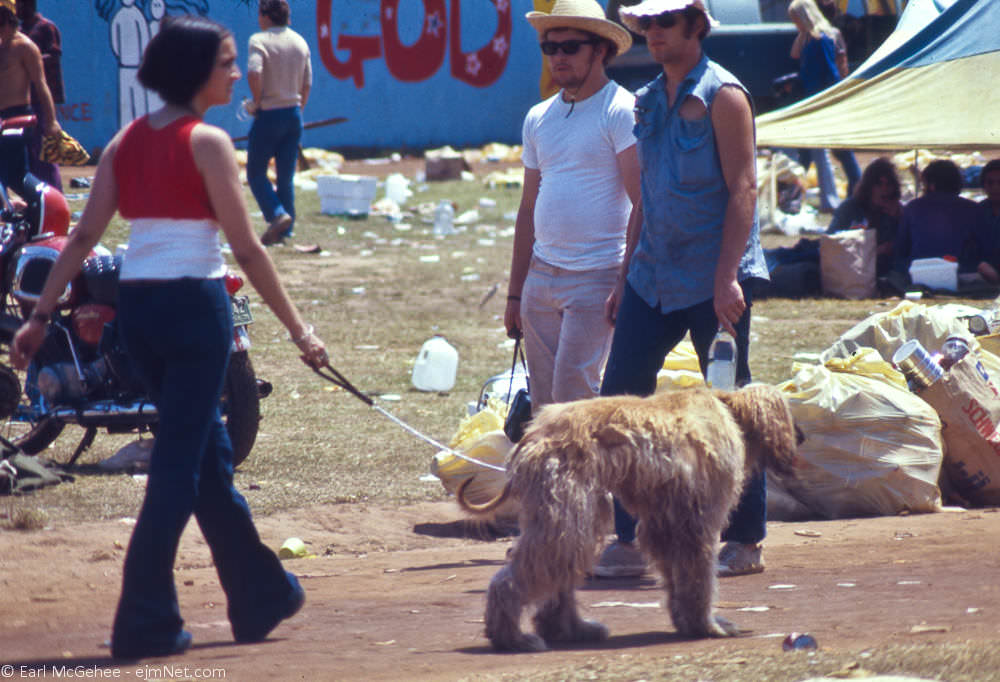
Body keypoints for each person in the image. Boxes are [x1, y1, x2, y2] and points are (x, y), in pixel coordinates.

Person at [10, 15, 329, 660]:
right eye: (228, 62)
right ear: (194, 72)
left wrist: (40, 316)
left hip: (141, 310)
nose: (237, 72)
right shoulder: (207, 143)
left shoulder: (126, 142)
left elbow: (82, 238)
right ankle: (145, 621)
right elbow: (246, 247)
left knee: (206, 458)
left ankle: (262, 592)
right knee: (177, 472)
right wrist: (301, 330)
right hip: (193, 309)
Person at [593, 0, 770, 579]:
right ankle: (630, 538)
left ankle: (745, 542)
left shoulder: (725, 97)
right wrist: (623, 279)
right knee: (619, 400)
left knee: (729, 409)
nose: (653, 34)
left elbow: (743, 189)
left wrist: (726, 280)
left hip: (712, 279)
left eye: (665, 23)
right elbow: (645, 198)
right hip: (651, 276)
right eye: (647, 24)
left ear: (697, 27)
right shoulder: (645, 101)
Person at [505, 0, 639, 411]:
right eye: (550, 48)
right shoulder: (538, 117)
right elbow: (528, 208)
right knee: (545, 405)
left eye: (570, 47)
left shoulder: (620, 110)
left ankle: (596, 478)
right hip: (541, 279)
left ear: (600, 50)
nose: (558, 57)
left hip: (596, 279)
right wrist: (515, 294)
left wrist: (623, 281)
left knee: (573, 400)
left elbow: (643, 204)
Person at [245, 0, 311, 246]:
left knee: (255, 173)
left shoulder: (259, 41)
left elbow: (254, 72)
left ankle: (276, 214)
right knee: (285, 176)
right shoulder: (300, 42)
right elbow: (307, 83)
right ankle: (286, 230)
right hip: (293, 114)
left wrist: (257, 101)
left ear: (265, 15)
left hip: (269, 114)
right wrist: (297, 109)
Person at [0, 0, 61, 204]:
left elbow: (42, 86)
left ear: (7, 22)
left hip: (17, 118)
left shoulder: (24, 47)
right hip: (2, 118)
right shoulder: (1, 46)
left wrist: (51, 122)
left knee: (16, 174)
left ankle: (47, 204)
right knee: (13, 175)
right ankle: (16, 209)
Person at [787, 0, 843, 213]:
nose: (794, 24)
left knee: (821, 153)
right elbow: (794, 54)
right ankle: (823, 199)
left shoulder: (822, 39)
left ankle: (831, 200)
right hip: (809, 98)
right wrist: (802, 33)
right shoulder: (809, 37)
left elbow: (832, 72)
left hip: (818, 98)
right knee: (812, 152)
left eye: (796, 19)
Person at [893, 159, 989, 279]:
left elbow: (900, 250)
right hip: (962, 275)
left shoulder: (912, 208)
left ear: (931, 185)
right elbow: (986, 250)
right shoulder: (974, 209)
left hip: (919, 274)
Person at [826, 157, 902, 277]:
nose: (884, 189)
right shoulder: (850, 208)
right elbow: (830, 244)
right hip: (849, 268)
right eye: (879, 184)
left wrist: (897, 219)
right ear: (869, 187)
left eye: (888, 184)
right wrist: (875, 251)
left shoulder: (898, 211)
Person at [16, 0, 63, 191]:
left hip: (43, 100)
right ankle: (37, 198)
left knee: (45, 153)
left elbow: (54, 56)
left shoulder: (46, 28)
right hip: (24, 100)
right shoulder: (18, 32)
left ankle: (55, 196)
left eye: (18, 4)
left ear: (28, 4)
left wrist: (30, 60)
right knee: (29, 154)